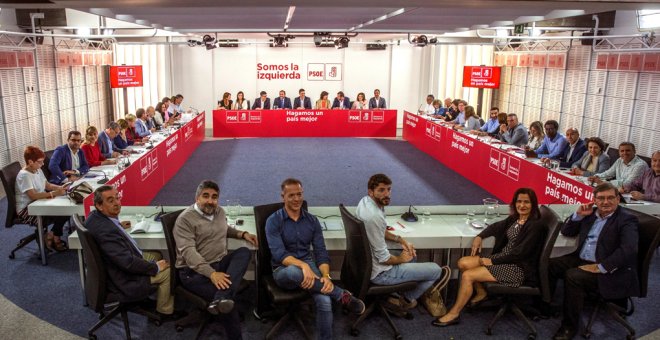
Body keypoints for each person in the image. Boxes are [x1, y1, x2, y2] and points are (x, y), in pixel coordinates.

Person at [266, 178, 365, 340]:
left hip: (308, 265)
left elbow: (321, 252)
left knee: (325, 300)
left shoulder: (312, 221)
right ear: (282, 196)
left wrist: (325, 276)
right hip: (283, 270)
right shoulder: (273, 221)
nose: (297, 199)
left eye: (299, 194)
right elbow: (279, 255)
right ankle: (341, 295)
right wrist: (303, 266)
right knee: (293, 271)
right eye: (291, 195)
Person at [433, 188, 547, 327]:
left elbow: (519, 253)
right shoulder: (516, 218)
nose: (522, 205)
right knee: (463, 263)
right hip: (503, 259)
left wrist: (492, 261)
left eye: (526, 202)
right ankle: (481, 292)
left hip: (518, 268)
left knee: (468, 275)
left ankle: (454, 313)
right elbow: (495, 227)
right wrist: (479, 236)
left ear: (533, 204)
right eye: (519, 201)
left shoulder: (536, 225)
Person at [549, 182, 639, 340]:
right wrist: (579, 215)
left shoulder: (626, 219)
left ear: (618, 199)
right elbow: (566, 231)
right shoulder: (590, 213)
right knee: (550, 265)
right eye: (601, 198)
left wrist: (602, 267)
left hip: (609, 269)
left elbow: (629, 249)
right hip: (582, 259)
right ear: (594, 200)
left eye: (610, 198)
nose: (605, 202)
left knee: (573, 276)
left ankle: (569, 327)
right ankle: (545, 306)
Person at [173, 180, 257, 339]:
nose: (210, 201)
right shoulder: (185, 219)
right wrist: (212, 274)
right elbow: (189, 253)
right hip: (194, 273)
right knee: (229, 306)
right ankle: (224, 303)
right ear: (197, 198)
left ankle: (220, 298)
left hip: (218, 263)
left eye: (214, 197)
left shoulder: (219, 212)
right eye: (206, 196)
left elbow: (224, 229)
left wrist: (242, 234)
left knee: (244, 252)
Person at [355, 174, 446, 313]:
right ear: (371, 191)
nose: (387, 194)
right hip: (380, 273)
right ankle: (405, 301)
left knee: (412, 256)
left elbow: (380, 231)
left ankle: (397, 292)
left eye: (389, 189)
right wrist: (400, 259)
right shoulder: (374, 216)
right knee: (436, 270)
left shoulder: (366, 202)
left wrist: (401, 240)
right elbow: (384, 259)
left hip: (365, 264)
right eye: (381, 190)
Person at [86, 186, 177, 319]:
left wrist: (118, 226)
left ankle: (146, 298)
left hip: (113, 268)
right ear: (99, 206)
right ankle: (164, 313)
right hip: (123, 279)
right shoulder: (106, 231)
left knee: (156, 255)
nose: (117, 203)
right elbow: (127, 262)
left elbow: (110, 243)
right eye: (110, 201)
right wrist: (155, 267)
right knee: (168, 272)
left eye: (117, 197)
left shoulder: (95, 218)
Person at [16, 146, 70, 252]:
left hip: (39, 203)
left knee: (67, 208)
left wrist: (60, 188)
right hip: (27, 209)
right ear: (30, 162)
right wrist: (53, 194)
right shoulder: (24, 175)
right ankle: (55, 237)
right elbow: (33, 195)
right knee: (63, 211)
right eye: (40, 162)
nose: (43, 164)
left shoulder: (37, 169)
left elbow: (47, 185)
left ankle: (51, 234)